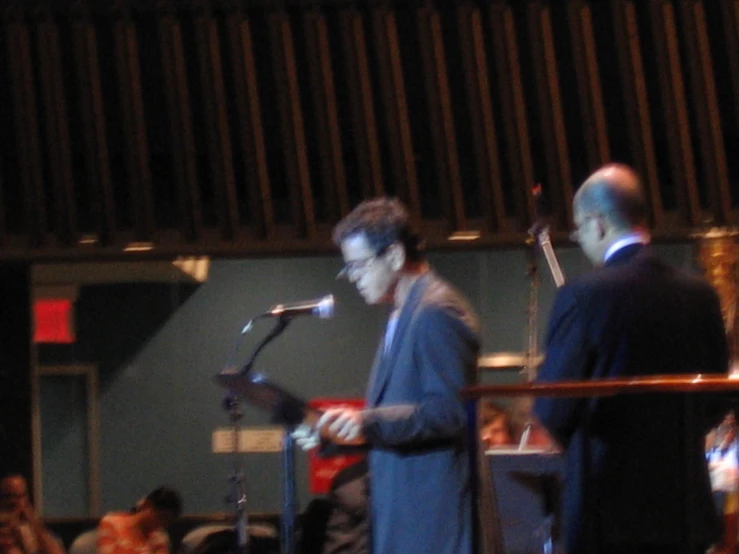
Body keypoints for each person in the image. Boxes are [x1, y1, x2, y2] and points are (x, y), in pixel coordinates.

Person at [533, 163, 729, 554]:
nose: (580, 239)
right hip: (684, 509)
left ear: (597, 223)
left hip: (605, 509)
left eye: (579, 229)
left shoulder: (582, 296)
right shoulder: (700, 295)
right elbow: (717, 400)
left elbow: (553, 408)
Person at [296, 197, 481, 554]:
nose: (353, 278)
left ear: (395, 256)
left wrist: (365, 421)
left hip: (428, 519)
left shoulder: (436, 311)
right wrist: (339, 433)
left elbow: (447, 412)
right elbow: (403, 415)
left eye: (359, 266)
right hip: (403, 512)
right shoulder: (402, 312)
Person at [97, 486, 182, 554]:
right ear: (148, 506)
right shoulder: (112, 523)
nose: (161, 524)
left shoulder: (158, 538)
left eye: (167, 522)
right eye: (161, 518)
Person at [0, 474, 64, 554]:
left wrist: (33, 522)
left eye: (19, 496)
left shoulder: (30, 528)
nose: (14, 501)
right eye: (8, 496)